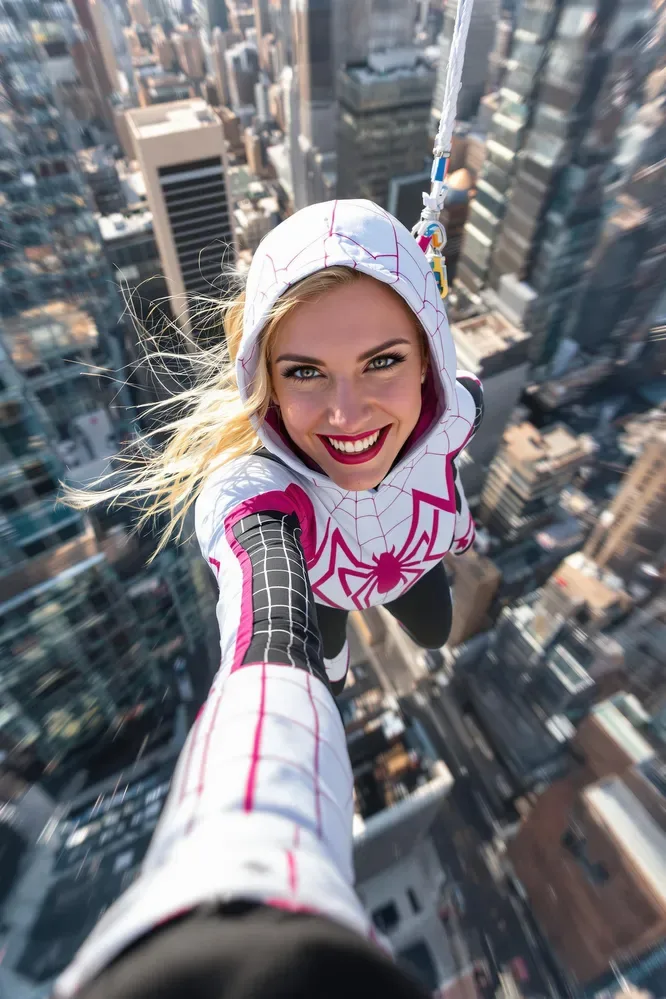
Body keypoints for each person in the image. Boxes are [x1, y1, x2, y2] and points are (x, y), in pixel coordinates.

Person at [57, 199, 483, 998]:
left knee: (433, 629)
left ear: (428, 357)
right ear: (266, 382)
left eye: (383, 361)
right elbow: (265, 629)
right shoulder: (256, 491)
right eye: (305, 372)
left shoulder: (455, 405)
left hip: (407, 561)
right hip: (317, 586)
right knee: (322, 670)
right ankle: (341, 673)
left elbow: (468, 400)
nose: (347, 415)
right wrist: (240, 881)